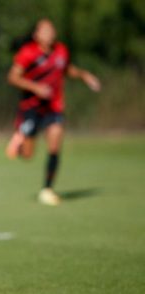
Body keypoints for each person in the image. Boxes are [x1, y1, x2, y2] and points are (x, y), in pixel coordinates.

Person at [6, 18, 101, 206]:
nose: (50, 33)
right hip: (31, 107)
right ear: (36, 35)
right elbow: (12, 77)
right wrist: (35, 87)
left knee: (55, 144)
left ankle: (47, 189)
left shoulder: (61, 50)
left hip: (53, 107)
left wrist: (85, 75)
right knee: (27, 155)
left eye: (51, 29)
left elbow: (67, 69)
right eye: (45, 30)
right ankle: (20, 137)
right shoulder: (28, 53)